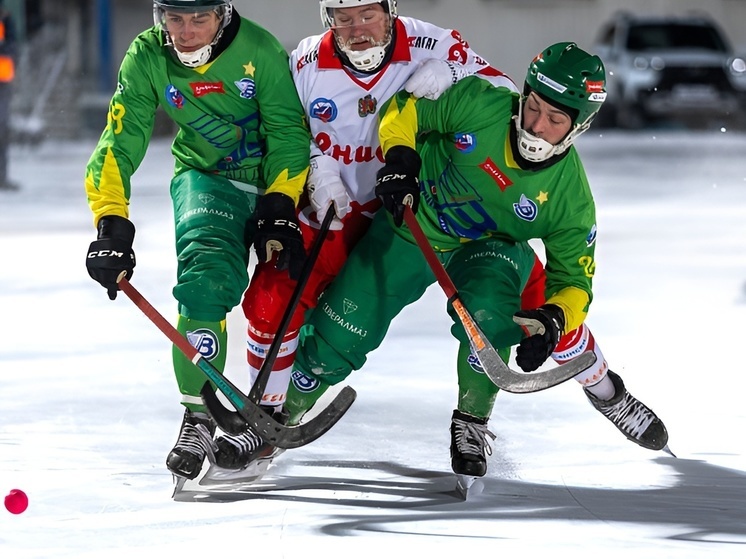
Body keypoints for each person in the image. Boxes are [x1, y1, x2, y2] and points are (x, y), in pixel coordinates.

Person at [276, 42, 668, 478]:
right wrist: (401, 157)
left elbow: (575, 280)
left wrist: (555, 316)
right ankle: (279, 418)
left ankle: (474, 421)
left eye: (555, 120)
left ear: (579, 127)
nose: (536, 126)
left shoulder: (570, 199)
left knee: (492, 316)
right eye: (533, 107)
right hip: (414, 226)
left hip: (488, 251)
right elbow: (405, 108)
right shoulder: (482, 104)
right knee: (342, 328)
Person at [212, 0, 518, 469]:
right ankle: (263, 420)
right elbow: (278, 126)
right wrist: (316, 169)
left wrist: (454, 75)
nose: (356, 29)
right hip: (330, 209)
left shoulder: (433, 43)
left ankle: (581, 384)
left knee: (490, 300)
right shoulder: (305, 62)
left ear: (390, 10)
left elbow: (508, 96)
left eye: (367, 15)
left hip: (412, 216)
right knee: (274, 300)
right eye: (343, 17)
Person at [83, 0, 311, 481]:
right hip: (207, 178)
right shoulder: (147, 56)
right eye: (175, 18)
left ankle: (273, 406)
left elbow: (289, 133)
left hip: (273, 183)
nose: (186, 32)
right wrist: (111, 222)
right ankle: (199, 419)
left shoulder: (260, 50)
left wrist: (280, 203)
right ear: (159, 15)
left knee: (286, 297)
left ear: (222, 15)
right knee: (204, 285)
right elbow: (119, 141)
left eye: (199, 19)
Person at [0, 0, 18, 191]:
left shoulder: (6, 20)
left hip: (3, 82)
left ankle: (2, 176)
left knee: (2, 130)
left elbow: (13, 47)